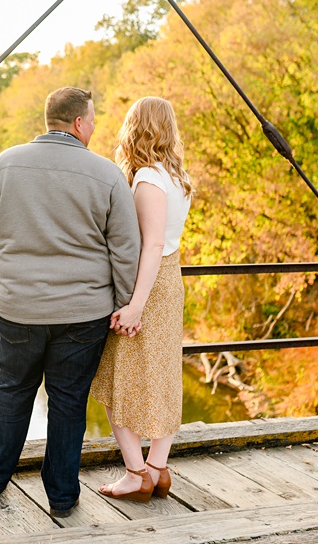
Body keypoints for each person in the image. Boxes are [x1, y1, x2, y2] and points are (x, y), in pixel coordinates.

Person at [0, 86, 141, 518]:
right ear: (79, 124)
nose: (96, 127)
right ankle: (63, 498)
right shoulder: (106, 174)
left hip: (18, 307)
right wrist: (122, 301)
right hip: (84, 313)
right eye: (94, 120)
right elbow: (125, 248)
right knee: (68, 402)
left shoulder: (2, 164)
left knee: (11, 390)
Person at [90, 96, 193, 502]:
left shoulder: (149, 179)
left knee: (117, 378)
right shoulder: (177, 175)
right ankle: (157, 468)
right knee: (163, 374)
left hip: (148, 285)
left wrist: (134, 306)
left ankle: (137, 472)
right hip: (170, 281)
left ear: (136, 128)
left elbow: (151, 247)